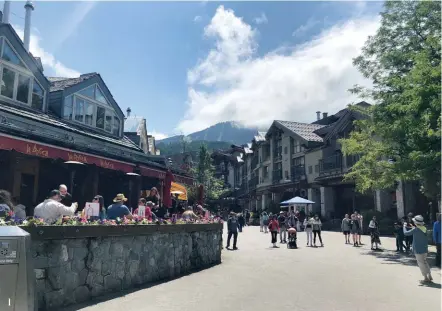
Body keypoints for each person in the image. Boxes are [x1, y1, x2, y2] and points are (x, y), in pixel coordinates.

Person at [403, 215, 433, 284]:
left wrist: (404, 226)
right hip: (424, 249)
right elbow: (419, 230)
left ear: (416, 222)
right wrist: (414, 227)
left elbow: (406, 233)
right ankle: (429, 275)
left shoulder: (415, 230)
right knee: (425, 262)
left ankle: (425, 278)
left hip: (418, 249)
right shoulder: (424, 228)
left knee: (420, 263)